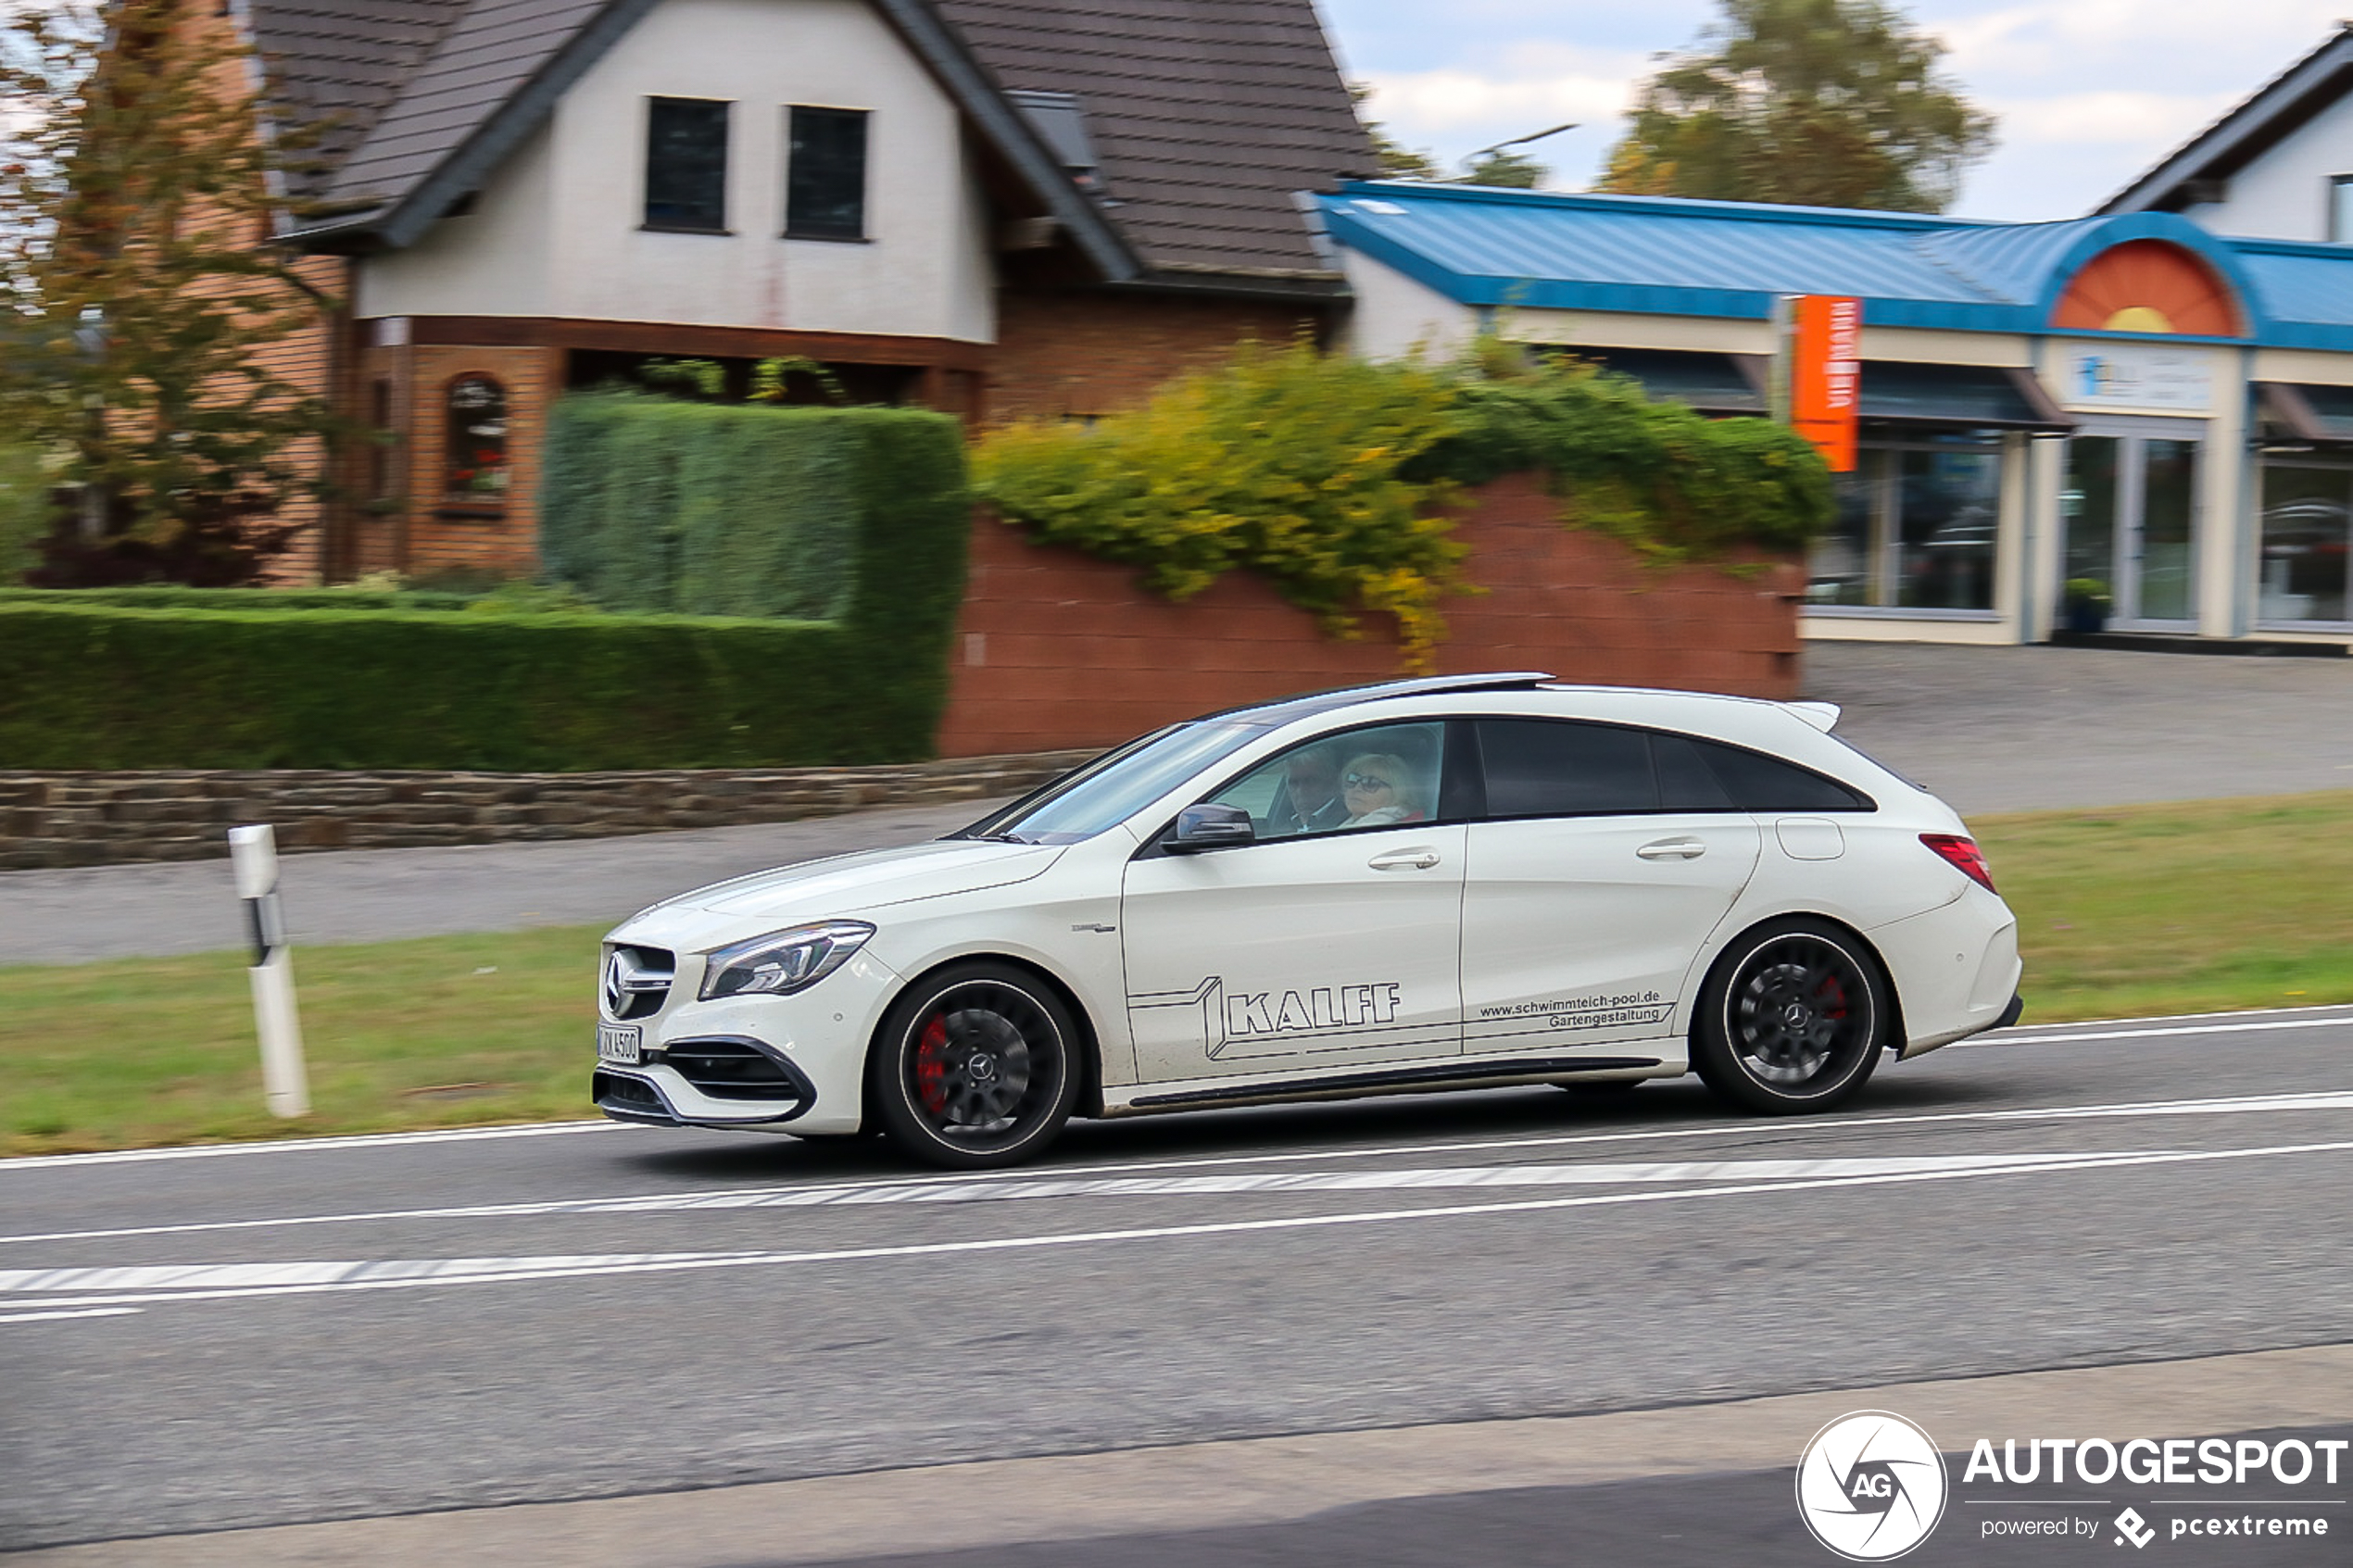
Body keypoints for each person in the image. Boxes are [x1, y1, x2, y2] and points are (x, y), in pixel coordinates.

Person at [1265, 742, 1349, 835]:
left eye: (1310, 782)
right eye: (1294, 783)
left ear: (1333, 781)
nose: (1300, 791)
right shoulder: (1283, 821)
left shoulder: (1346, 823)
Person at [1340, 752, 1427, 827]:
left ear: (1397, 792)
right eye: (1352, 780)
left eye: (1371, 783)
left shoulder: (1381, 828)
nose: (1356, 788)